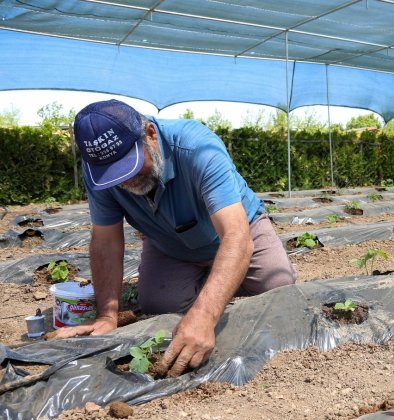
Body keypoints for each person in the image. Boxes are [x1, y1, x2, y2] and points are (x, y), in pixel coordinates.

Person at [57, 99, 296, 376]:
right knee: (158, 305)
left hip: (238, 231)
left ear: (150, 134)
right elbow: (106, 242)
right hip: (168, 244)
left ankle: (219, 281)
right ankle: (214, 281)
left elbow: (236, 235)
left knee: (277, 285)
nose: (125, 180)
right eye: (113, 174)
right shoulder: (98, 173)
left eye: (129, 164)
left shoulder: (197, 147)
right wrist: (107, 315)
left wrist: (205, 316)